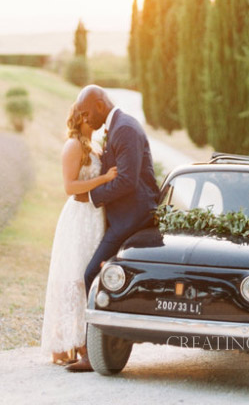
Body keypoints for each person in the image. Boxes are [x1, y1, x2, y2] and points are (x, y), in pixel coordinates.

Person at [65, 85, 159, 373]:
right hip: (121, 216)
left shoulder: (125, 128)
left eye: (85, 112)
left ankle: (96, 353)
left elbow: (128, 181)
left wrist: (92, 197)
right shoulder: (116, 127)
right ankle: (108, 343)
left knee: (92, 273)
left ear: (98, 105)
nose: (84, 118)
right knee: (102, 274)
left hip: (132, 217)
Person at [39, 103, 118, 365]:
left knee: (88, 277)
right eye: (93, 115)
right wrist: (104, 179)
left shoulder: (93, 145)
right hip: (78, 219)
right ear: (84, 117)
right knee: (74, 279)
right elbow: (70, 187)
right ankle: (70, 345)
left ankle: (83, 342)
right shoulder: (73, 145)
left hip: (95, 218)